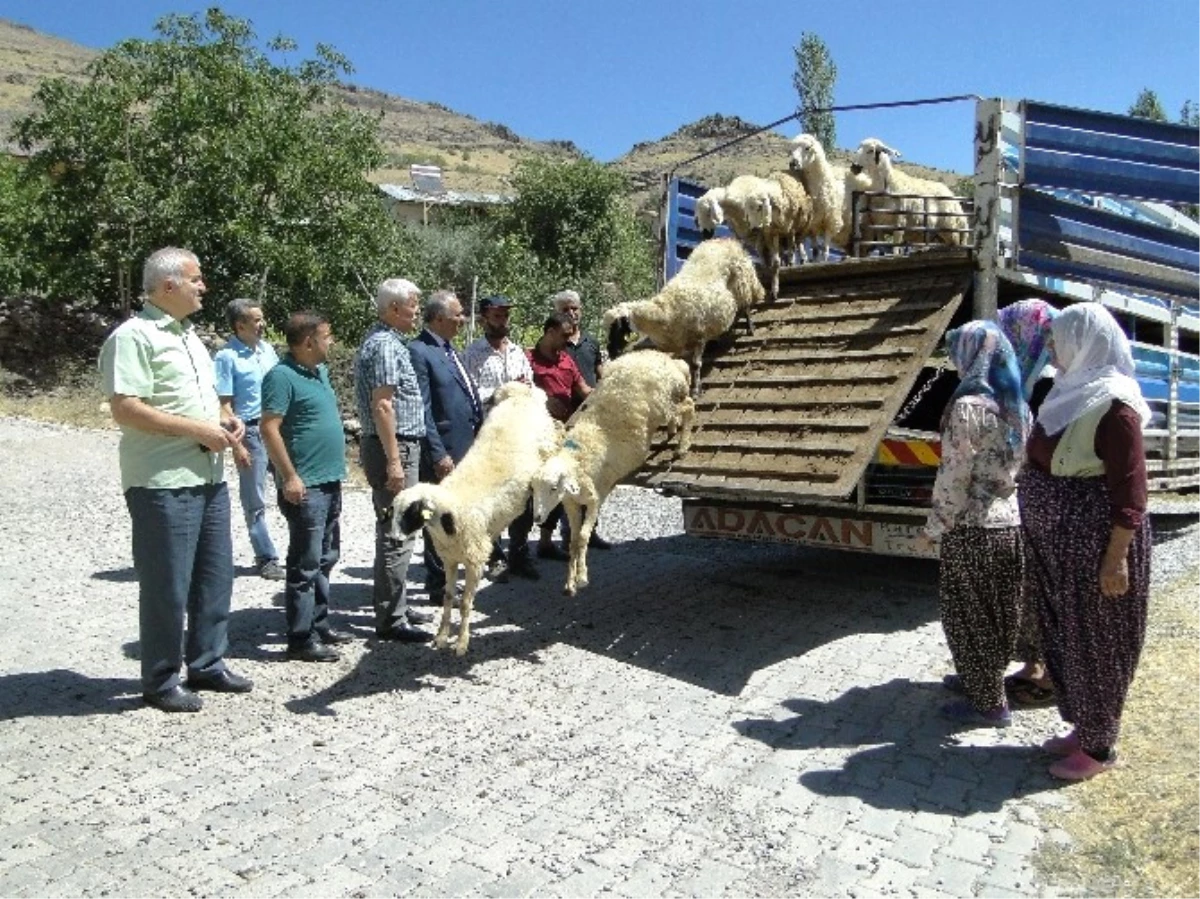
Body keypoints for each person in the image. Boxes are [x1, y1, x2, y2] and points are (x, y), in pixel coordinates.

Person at [98, 247, 253, 713]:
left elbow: (205, 401)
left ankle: (207, 663)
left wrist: (226, 419)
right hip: (162, 482)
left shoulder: (189, 337)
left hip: (207, 476)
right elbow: (126, 408)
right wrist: (198, 431)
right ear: (169, 286)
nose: (203, 286)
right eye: (196, 279)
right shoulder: (134, 337)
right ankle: (161, 679)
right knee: (167, 584)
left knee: (214, 576)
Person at [1019, 303, 1152, 781]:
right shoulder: (1069, 393)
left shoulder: (1115, 406)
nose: (1050, 349)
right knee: (1067, 638)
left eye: (1057, 340)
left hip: (1096, 549)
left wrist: (1116, 561)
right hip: (1061, 551)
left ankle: (1099, 749)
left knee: (1098, 642)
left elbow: (1131, 493)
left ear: (1084, 341)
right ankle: (1083, 727)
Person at [921, 321, 1030, 728]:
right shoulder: (1017, 404)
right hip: (1010, 524)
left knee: (967, 615)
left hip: (971, 528)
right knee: (1000, 611)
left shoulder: (968, 406)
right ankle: (983, 680)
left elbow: (954, 475)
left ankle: (988, 702)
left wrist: (934, 527)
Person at [260, 312, 351, 663]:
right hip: (306, 484)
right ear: (309, 341)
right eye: (327, 336)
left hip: (329, 479)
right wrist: (290, 476)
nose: (332, 342)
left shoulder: (319, 372)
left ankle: (319, 622)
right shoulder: (281, 377)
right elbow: (269, 428)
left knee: (327, 556)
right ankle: (300, 637)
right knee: (305, 562)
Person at [354, 279, 435, 642]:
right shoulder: (385, 346)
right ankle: (390, 618)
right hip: (396, 446)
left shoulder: (385, 341)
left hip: (398, 446)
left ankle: (395, 604)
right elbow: (383, 405)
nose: (417, 310)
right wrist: (394, 461)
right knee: (396, 532)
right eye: (413, 304)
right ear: (393, 308)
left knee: (400, 529)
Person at [994, 298, 1062, 707]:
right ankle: (1032, 666)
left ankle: (1047, 674)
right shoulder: (1024, 376)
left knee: (1043, 588)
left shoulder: (1049, 383)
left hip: (1043, 501)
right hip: (1026, 499)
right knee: (1027, 589)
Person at [407, 290, 485, 597]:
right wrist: (438, 453)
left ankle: (453, 572)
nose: (463, 320)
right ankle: (437, 581)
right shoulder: (420, 351)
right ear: (439, 318)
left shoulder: (450, 350)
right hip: (444, 452)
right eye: (458, 315)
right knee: (435, 516)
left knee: (456, 514)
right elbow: (423, 409)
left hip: (465, 448)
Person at [464, 295, 540, 580]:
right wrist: (501, 393)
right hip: (490, 435)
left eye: (506, 315)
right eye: (497, 316)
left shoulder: (518, 352)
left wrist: (524, 389)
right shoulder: (472, 354)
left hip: (519, 435)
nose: (503, 321)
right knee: (493, 498)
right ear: (484, 318)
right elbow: (469, 397)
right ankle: (494, 556)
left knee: (523, 497)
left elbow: (530, 386)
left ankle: (520, 553)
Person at [213, 298, 284, 581]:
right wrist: (237, 445)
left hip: (277, 429)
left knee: (292, 489)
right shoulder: (226, 357)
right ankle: (265, 556)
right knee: (254, 498)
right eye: (255, 320)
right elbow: (224, 406)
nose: (262, 324)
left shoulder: (267, 350)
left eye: (261, 318)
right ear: (239, 325)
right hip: (250, 432)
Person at [525, 312, 592, 560]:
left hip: (565, 435)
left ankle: (546, 542)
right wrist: (543, 401)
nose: (569, 339)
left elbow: (584, 390)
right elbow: (520, 389)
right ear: (550, 331)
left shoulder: (566, 359)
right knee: (536, 487)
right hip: (538, 435)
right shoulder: (528, 358)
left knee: (562, 483)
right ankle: (518, 546)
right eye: (565, 335)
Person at [551, 289, 605, 388]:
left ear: (581, 310)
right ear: (557, 313)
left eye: (574, 308)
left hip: (590, 400)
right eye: (565, 310)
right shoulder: (553, 343)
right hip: (562, 401)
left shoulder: (591, 341)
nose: (571, 313)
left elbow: (600, 374)